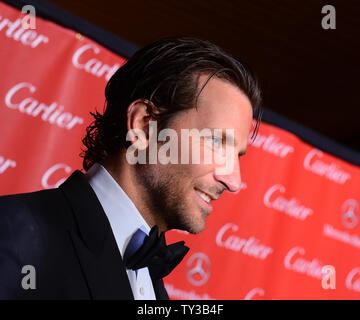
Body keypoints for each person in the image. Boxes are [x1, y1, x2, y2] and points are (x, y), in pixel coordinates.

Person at [0, 36, 262, 299]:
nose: (234, 181)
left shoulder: (152, 280)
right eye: (217, 141)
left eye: (237, 155)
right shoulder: (13, 230)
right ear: (143, 124)